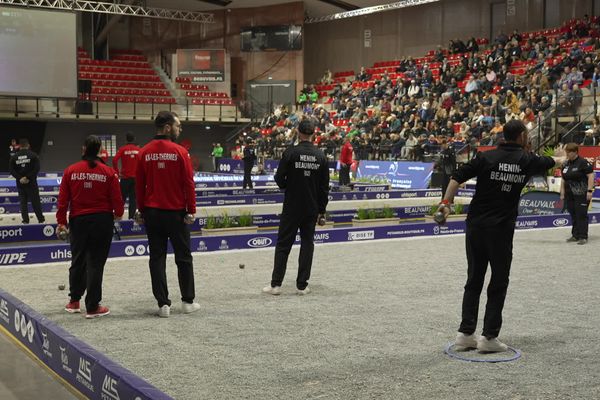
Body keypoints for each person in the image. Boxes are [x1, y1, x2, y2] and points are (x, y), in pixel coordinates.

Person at [437, 119, 565, 352]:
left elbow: (456, 176)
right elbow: (554, 161)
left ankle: (466, 333)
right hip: (501, 230)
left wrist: (445, 202)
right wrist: (561, 156)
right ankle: (489, 337)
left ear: (504, 135)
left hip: (476, 226)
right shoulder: (527, 160)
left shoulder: (486, 156)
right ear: (523, 137)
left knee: (474, 279)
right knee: (498, 280)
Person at [135, 111, 199, 318]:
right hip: (176, 214)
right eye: (178, 126)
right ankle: (187, 301)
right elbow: (188, 183)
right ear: (168, 128)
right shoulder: (180, 152)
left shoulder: (144, 152)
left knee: (157, 258)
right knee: (183, 257)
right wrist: (191, 210)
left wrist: (141, 210)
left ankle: (163, 304)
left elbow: (139, 186)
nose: (180, 129)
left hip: (152, 213)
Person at [56, 135, 124, 319]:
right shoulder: (109, 172)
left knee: (77, 260)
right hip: (102, 221)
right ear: (100, 150)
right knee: (95, 263)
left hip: (78, 221)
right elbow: (117, 201)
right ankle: (93, 306)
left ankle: (74, 301)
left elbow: (63, 202)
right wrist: (118, 212)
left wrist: (61, 222)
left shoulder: (70, 171)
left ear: (83, 149)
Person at [262, 118, 330, 295]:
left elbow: (278, 178)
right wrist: (322, 211)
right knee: (307, 245)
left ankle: (275, 285)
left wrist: (288, 187)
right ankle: (302, 285)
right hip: (311, 208)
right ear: (313, 134)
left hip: (292, 206)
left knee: (283, 245)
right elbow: (324, 188)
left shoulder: (290, 152)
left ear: (298, 132)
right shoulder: (321, 156)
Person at [560, 143, 594, 245]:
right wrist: (562, 192)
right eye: (566, 152)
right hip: (569, 194)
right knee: (573, 214)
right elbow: (563, 179)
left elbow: (591, 176)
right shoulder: (566, 164)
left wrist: (589, 191)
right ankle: (575, 235)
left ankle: (583, 236)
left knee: (581, 214)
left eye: (569, 152)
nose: (567, 154)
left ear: (575, 152)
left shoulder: (583, 162)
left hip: (581, 193)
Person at [9, 138, 45, 224]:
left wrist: (20, 178)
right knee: (35, 202)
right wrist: (27, 177)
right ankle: (41, 220)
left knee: (23, 203)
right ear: (28, 145)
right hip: (31, 183)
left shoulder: (14, 157)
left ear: (19, 146)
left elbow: (11, 170)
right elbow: (36, 169)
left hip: (20, 184)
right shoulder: (33, 155)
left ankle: (25, 220)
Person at [112, 132, 140, 219]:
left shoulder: (122, 149)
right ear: (134, 139)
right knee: (133, 200)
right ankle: (131, 219)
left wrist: (117, 172)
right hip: (135, 179)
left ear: (126, 139)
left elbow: (114, 160)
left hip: (124, 178)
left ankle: (118, 216)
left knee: (122, 199)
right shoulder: (139, 150)